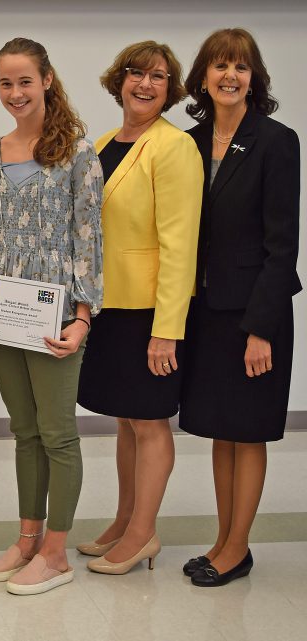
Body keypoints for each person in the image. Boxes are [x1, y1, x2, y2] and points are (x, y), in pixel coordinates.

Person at [0, 37, 102, 596]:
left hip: (56, 313)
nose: (15, 93)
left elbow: (89, 237)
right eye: (5, 82)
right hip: (1, 314)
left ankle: (57, 552)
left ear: (46, 80)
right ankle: (27, 539)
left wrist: (84, 316)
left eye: (25, 81)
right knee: (24, 433)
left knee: (58, 435)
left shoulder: (78, 151)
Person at [178, 28, 300, 587]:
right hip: (206, 311)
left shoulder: (277, 141)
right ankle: (226, 541)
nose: (230, 76)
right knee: (222, 432)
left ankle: (238, 547)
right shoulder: (189, 140)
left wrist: (262, 330)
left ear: (255, 78)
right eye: (220, 65)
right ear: (203, 76)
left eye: (241, 67)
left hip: (254, 315)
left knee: (247, 432)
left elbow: (282, 246)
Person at [75, 41, 203, 576]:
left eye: (158, 77)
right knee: (128, 420)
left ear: (170, 89)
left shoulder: (174, 148)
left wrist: (167, 329)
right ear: (119, 79)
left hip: (150, 311)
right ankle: (125, 519)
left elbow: (181, 244)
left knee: (150, 422)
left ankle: (144, 532)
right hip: (109, 305)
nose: (145, 84)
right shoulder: (105, 142)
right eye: (136, 73)